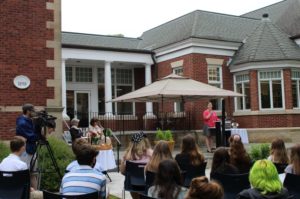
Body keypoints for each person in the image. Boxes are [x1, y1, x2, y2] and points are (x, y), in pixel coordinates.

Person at [16, 103, 39, 189]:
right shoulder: (22, 122)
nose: (34, 113)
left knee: (33, 173)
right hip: (26, 150)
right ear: (28, 111)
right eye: (33, 111)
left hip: (32, 149)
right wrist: (39, 136)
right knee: (25, 173)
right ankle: (24, 193)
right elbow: (32, 137)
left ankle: (36, 194)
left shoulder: (30, 120)